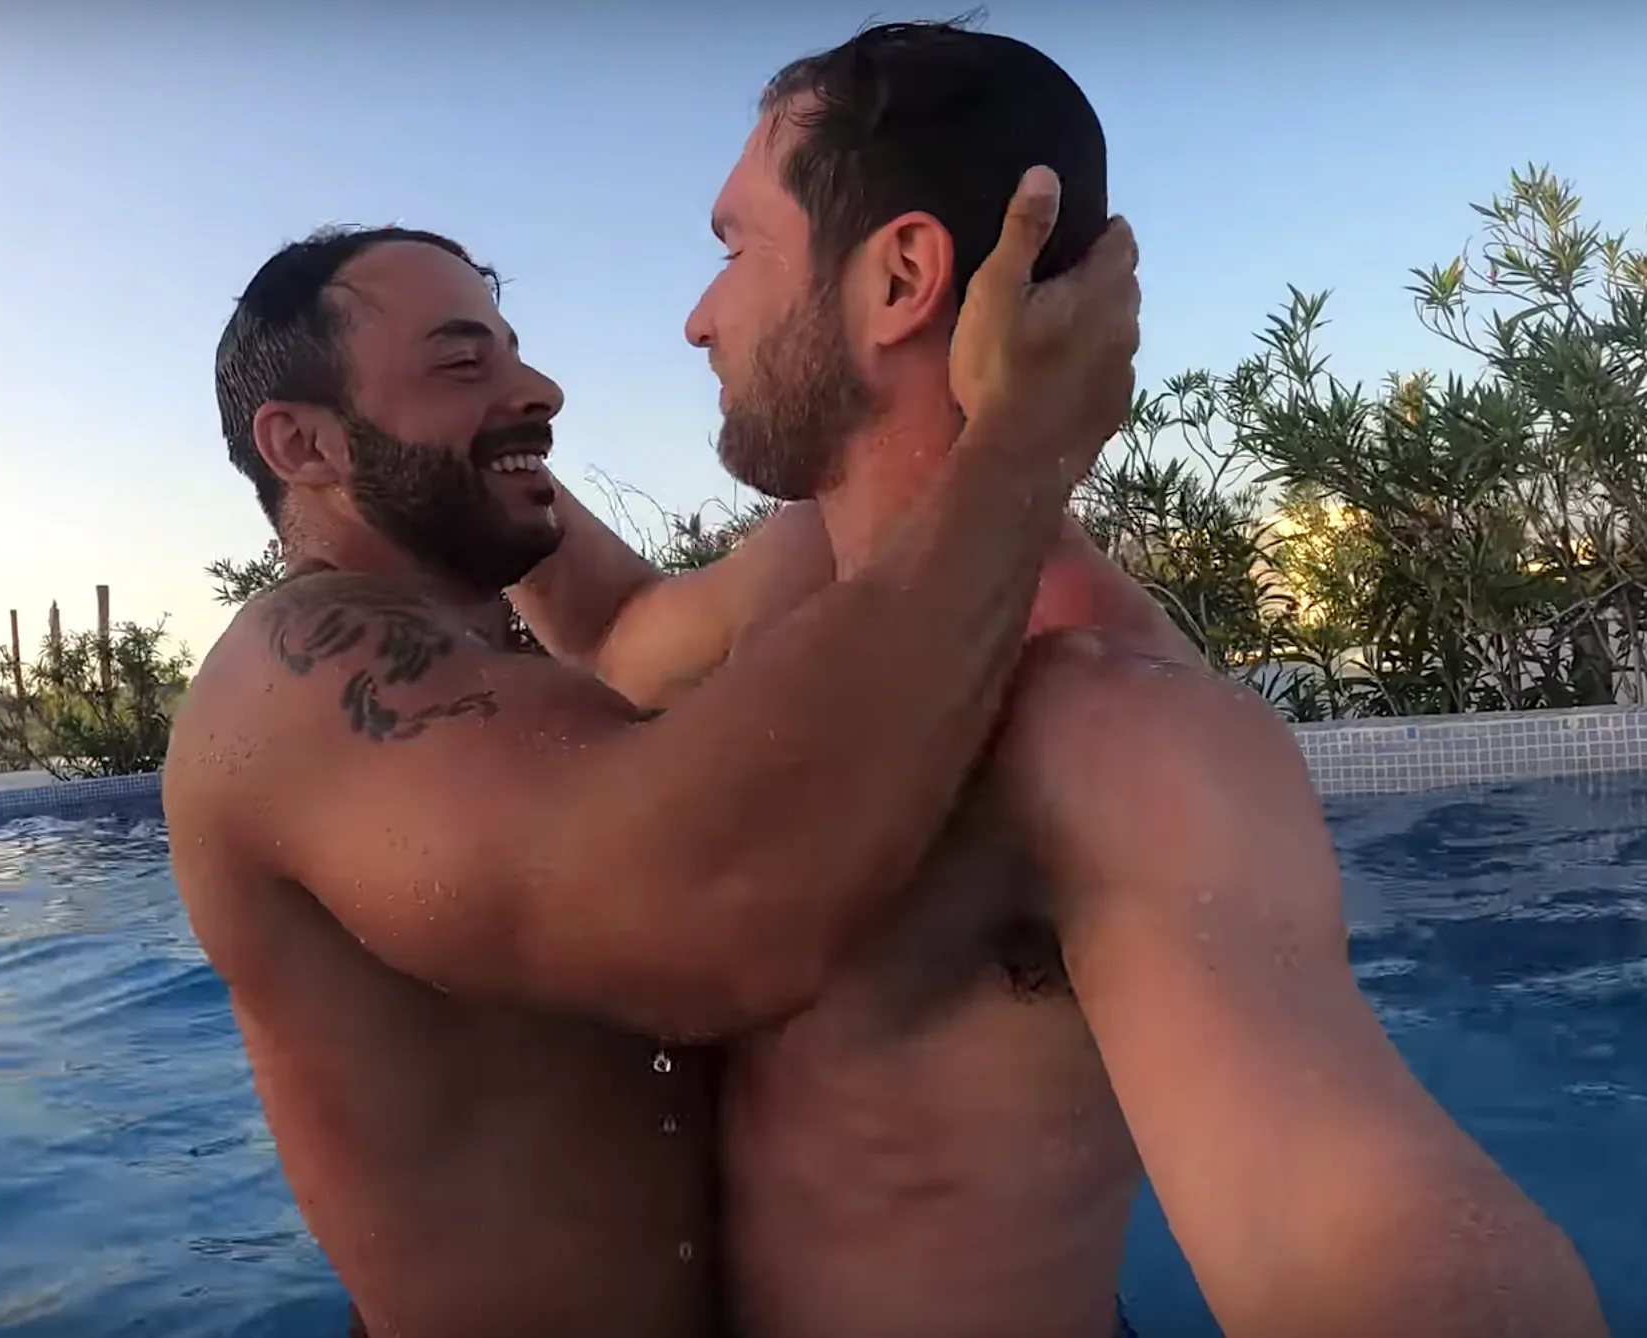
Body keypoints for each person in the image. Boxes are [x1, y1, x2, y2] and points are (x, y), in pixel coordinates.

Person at [510, 21, 1609, 1338]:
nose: (698, 317)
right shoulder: (794, 575)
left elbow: (1360, 1234)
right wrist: (461, 453)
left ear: (900, 277)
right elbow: (619, 627)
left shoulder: (1109, 719)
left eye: (734, 249)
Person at [163, 172, 1141, 1337]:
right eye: (464, 364)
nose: (541, 390)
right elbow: (713, 915)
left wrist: (930, 404)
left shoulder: (506, 654)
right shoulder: (298, 683)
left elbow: (649, 618)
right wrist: (1020, 451)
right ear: (304, 444)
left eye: (515, 352)